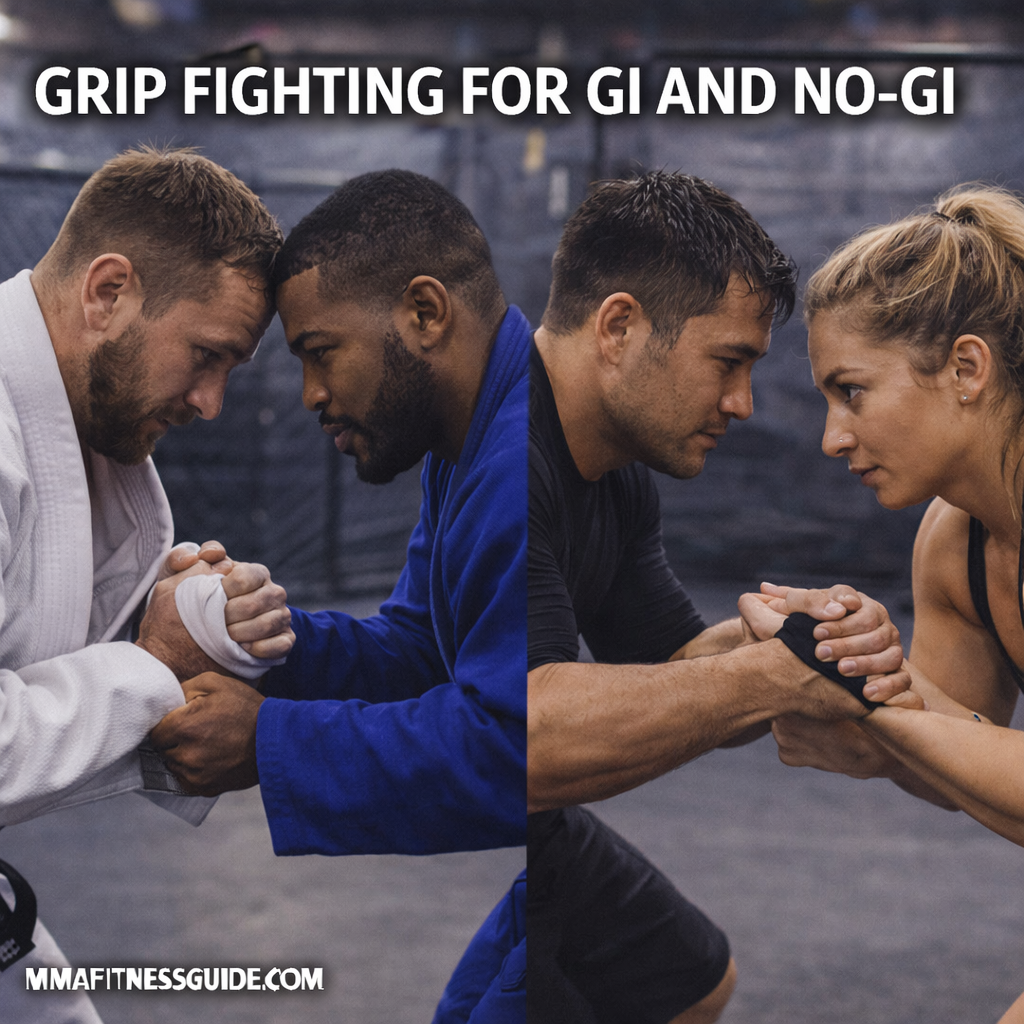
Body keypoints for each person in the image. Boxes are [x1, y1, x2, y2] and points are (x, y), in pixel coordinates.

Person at [526, 171, 912, 1024]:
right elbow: (529, 736)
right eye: (727, 363)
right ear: (619, 327)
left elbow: (665, 665)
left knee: (689, 983)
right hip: (440, 819)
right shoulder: (499, 454)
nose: (741, 404)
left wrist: (791, 639)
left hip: (519, 816)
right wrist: (782, 675)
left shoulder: (611, 466)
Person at [149, 170, 527, 1022]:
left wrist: (270, 742)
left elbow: (516, 747)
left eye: (320, 352)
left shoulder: (520, 461)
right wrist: (249, 634)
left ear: (425, 314)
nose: (314, 395)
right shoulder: (464, 443)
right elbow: (422, 655)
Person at [0, 145, 294, 1024]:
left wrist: (191, 629)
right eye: (207, 355)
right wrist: (151, 662)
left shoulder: (75, 428)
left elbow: (47, 651)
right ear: (108, 292)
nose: (211, 401)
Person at [739, 184, 1024, 1024]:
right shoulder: (953, 546)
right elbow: (962, 768)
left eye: (852, 392)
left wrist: (873, 706)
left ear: (966, 370)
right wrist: (850, 673)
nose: (831, 436)